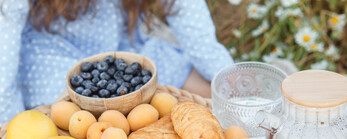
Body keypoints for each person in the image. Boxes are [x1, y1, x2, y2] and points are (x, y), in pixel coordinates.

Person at [0, 0, 233, 124]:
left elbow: (183, 8)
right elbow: (5, 40)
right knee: (81, 121)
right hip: (50, 54)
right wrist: (10, 123)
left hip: (120, 47)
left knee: (216, 97)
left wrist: (227, 77)